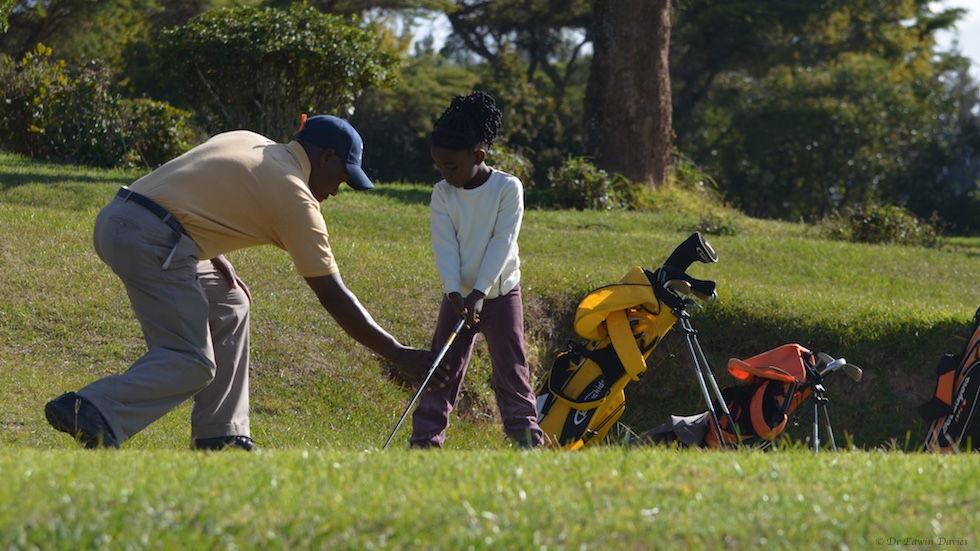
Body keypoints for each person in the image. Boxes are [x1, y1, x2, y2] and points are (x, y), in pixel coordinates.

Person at [44, 115, 435, 450]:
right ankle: (91, 408)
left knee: (230, 302)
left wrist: (213, 253)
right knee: (191, 359)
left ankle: (222, 436)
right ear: (326, 157)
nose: (335, 189)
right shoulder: (296, 199)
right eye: (342, 178)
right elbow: (334, 297)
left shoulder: (249, 141)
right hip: (150, 239)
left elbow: (194, 186)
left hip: (125, 215)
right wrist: (398, 353)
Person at [409, 91, 544, 448]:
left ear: (478, 156)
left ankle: (526, 444)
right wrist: (456, 292)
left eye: (451, 166)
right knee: (442, 372)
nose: (445, 173)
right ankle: (424, 444)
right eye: (439, 166)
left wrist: (480, 292)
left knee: (511, 373)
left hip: (499, 295)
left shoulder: (507, 189)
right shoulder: (442, 194)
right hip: (457, 298)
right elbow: (445, 248)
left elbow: (503, 241)